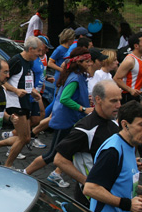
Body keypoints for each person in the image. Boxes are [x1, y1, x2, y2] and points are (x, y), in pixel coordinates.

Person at [23, 47, 93, 187]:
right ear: (79, 62)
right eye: (87, 61)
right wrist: (83, 108)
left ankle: (57, 174)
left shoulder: (78, 75)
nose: (90, 63)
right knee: (51, 155)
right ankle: (24, 173)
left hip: (70, 119)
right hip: (65, 121)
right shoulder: (75, 78)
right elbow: (65, 99)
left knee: (70, 152)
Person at [54, 80, 122, 206]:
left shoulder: (114, 123)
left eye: (119, 100)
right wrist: (87, 183)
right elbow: (59, 160)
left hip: (112, 194)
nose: (118, 105)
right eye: (113, 101)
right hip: (90, 200)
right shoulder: (85, 129)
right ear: (99, 99)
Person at [4, 36, 43, 168]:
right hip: (15, 102)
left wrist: (32, 91)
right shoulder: (16, 61)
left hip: (24, 101)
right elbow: (1, 80)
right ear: (30, 49)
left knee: (26, 138)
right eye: (38, 51)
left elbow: (25, 81)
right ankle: (8, 165)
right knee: (23, 138)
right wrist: (15, 90)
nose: (40, 54)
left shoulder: (30, 63)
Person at [114, 32, 142, 104]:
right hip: (127, 97)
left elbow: (137, 78)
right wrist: (130, 90)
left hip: (136, 95)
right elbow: (116, 78)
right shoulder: (130, 61)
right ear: (136, 46)